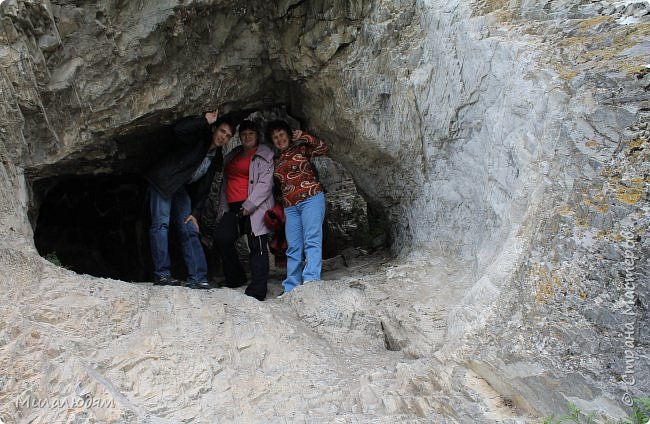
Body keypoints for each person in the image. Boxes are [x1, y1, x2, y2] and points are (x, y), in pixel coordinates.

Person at [145, 108, 234, 289]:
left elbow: (205, 189)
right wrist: (204, 120)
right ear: (214, 129)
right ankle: (162, 275)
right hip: (164, 182)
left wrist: (195, 212)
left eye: (228, 135)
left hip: (179, 189)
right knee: (161, 225)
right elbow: (178, 130)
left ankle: (198, 277)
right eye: (221, 131)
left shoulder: (216, 158)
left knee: (189, 228)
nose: (223, 137)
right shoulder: (198, 138)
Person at [213, 120, 275, 301]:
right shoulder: (234, 154)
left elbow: (265, 184)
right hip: (232, 206)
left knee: (258, 247)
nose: (247, 137)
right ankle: (235, 277)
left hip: (255, 206)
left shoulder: (265, 154)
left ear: (257, 136)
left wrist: (249, 205)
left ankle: (257, 290)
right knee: (221, 238)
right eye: (244, 134)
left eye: (251, 133)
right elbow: (225, 181)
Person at [266, 120, 328, 295]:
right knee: (293, 246)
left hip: (311, 198)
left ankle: (311, 279)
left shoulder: (301, 150)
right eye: (275, 137)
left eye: (282, 135)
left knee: (312, 239)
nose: (279, 139)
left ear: (288, 135)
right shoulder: (276, 161)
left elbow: (323, 148)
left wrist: (304, 136)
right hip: (290, 207)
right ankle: (291, 286)